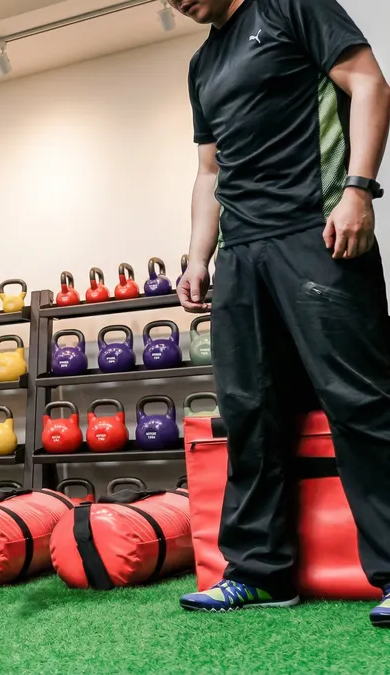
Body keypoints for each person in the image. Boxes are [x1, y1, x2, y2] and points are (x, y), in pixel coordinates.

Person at [170, 0, 390, 626]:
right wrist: (197, 258)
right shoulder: (203, 62)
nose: (174, 2)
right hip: (241, 252)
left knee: (360, 403)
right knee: (249, 412)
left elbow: (371, 83)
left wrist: (359, 190)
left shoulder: (293, 6)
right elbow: (209, 171)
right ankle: (260, 572)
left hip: (315, 231)